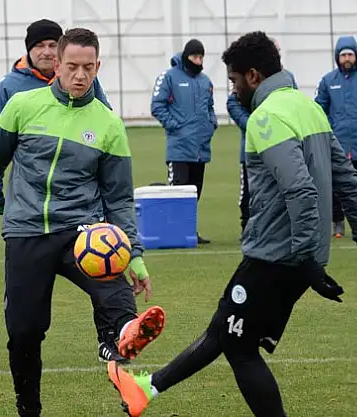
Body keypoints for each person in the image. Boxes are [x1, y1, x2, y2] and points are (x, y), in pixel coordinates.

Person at [108, 31, 356, 417]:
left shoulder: (266, 117)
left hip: (276, 256)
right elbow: (347, 180)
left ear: (253, 76)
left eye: (235, 80)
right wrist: (314, 258)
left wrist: (307, 260)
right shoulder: (308, 107)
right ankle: (146, 388)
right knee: (227, 329)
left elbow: (300, 189)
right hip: (296, 255)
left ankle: (147, 389)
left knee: (239, 347)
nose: (234, 90)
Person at [0, 28, 165, 417]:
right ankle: (29, 408)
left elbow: (119, 198)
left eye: (88, 68)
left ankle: (121, 336)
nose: (80, 75)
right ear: (57, 64)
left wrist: (136, 255)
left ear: (98, 67)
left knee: (114, 287)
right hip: (26, 231)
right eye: (72, 66)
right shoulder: (22, 106)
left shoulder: (108, 125)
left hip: (82, 231)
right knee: (24, 331)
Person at [0, 18, 111, 216]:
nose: (47, 51)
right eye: (40, 45)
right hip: (30, 194)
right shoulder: (10, 86)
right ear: (29, 49)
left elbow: (107, 127)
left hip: (80, 190)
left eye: (53, 45)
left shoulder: (85, 81)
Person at [227, 37, 297, 232]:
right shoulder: (246, 82)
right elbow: (232, 103)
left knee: (285, 189)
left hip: (282, 146)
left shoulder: (288, 78)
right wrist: (254, 124)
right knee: (249, 194)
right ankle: (247, 229)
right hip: (251, 150)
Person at [151, 39, 216, 244]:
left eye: (201, 57)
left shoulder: (206, 81)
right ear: (187, 56)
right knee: (177, 192)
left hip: (201, 149)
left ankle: (189, 232)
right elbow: (157, 106)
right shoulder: (169, 77)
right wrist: (175, 126)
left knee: (194, 193)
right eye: (195, 56)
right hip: (179, 148)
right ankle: (173, 232)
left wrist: (211, 125)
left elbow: (210, 108)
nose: (198, 61)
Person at [315, 35, 357, 238]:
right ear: (337, 57)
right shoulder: (328, 81)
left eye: (350, 54)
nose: (347, 58)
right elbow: (319, 109)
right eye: (343, 55)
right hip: (337, 143)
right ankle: (338, 223)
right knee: (335, 186)